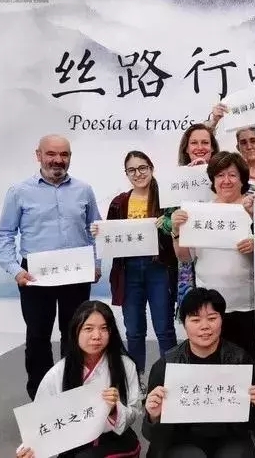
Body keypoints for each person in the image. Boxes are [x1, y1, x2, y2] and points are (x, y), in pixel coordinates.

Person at [0, 134, 102, 400]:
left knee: (75, 333)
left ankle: (73, 392)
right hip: (34, 275)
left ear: (70, 157)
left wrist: (96, 263)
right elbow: (4, 234)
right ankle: (41, 397)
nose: (58, 160)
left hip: (77, 272)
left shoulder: (84, 190)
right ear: (39, 155)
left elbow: (96, 231)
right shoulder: (19, 191)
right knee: (38, 336)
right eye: (51, 154)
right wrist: (15, 270)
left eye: (64, 154)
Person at [142, 287, 255, 458]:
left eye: (212, 318)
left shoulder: (240, 360)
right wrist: (153, 417)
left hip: (229, 436)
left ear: (222, 320)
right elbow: (151, 435)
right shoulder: (166, 365)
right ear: (184, 324)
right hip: (180, 437)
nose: (205, 326)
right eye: (195, 320)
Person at [91, 151, 178, 381]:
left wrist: (168, 223)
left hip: (159, 268)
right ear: (126, 173)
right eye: (132, 170)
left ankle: (170, 380)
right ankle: (135, 381)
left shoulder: (166, 198)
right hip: (128, 271)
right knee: (134, 331)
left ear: (151, 168)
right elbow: (110, 237)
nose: (138, 174)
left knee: (164, 329)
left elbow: (176, 228)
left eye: (142, 168)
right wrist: (99, 232)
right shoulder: (119, 202)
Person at [15, 300, 142, 458]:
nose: (97, 336)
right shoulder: (58, 373)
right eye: (88, 328)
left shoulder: (125, 365)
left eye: (104, 328)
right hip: (74, 442)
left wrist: (114, 409)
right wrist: (29, 448)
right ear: (76, 331)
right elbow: (41, 419)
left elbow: (135, 410)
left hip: (115, 439)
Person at [170, 152, 255, 362]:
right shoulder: (199, 212)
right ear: (213, 180)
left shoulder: (254, 210)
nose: (226, 180)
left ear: (242, 179)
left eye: (232, 175)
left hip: (247, 306)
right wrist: (176, 231)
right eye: (220, 175)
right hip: (209, 310)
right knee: (212, 365)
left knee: (246, 364)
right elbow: (185, 257)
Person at [160, 123, 221, 309]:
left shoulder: (223, 175)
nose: (200, 147)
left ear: (212, 147)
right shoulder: (176, 180)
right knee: (195, 314)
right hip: (188, 261)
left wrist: (205, 174)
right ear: (186, 148)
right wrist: (174, 223)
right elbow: (165, 221)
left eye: (205, 142)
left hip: (219, 255)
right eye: (194, 143)